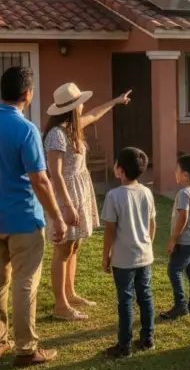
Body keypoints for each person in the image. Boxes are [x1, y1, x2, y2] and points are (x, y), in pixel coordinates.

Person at [0, 66, 64, 367]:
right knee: (25, 284)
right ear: (28, 94)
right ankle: (26, 349)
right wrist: (58, 218)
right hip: (23, 220)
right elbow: (40, 180)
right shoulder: (26, 130)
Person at [43, 82, 132, 321]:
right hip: (66, 197)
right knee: (62, 249)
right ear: (72, 108)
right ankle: (60, 305)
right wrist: (68, 206)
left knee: (74, 245)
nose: (84, 107)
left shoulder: (72, 128)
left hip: (79, 192)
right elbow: (56, 174)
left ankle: (69, 293)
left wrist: (116, 101)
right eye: (80, 103)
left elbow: (94, 114)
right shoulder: (56, 136)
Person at [101, 147, 156, 359]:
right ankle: (147, 338)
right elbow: (152, 224)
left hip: (123, 259)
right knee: (146, 296)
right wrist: (147, 244)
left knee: (125, 300)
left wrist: (106, 255)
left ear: (120, 170)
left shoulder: (114, 196)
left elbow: (109, 230)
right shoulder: (147, 192)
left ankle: (124, 346)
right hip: (145, 256)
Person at [159, 153, 190, 321]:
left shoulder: (184, 194)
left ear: (185, 175)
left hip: (186, 241)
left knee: (174, 270)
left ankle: (181, 306)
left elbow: (183, 216)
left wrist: (173, 238)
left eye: (177, 170)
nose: (175, 173)